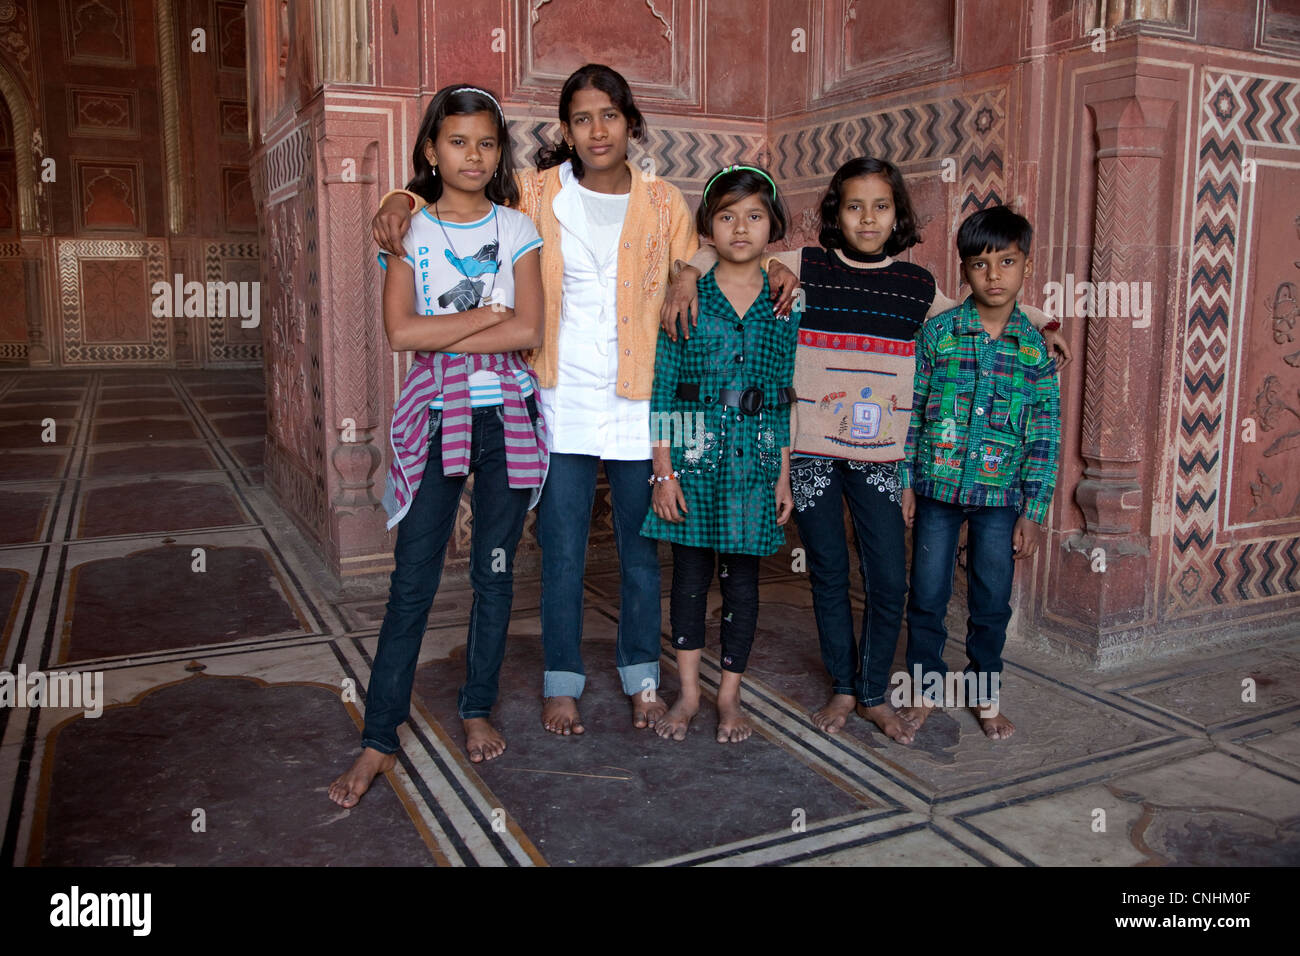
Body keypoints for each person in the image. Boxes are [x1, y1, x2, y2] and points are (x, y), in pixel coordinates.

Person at [663, 157, 1070, 744]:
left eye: (881, 206)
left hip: (881, 457)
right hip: (810, 453)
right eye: (854, 206)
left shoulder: (915, 286)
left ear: (897, 214)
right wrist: (683, 273)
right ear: (836, 212)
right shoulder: (804, 266)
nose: (868, 218)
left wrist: (1043, 324)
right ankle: (845, 686)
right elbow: (729, 254)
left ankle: (876, 691)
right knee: (827, 573)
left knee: (887, 579)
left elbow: (975, 307)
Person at [371, 65, 698, 737]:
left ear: (630, 122)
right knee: (561, 545)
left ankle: (642, 678)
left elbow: (706, 255)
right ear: (565, 130)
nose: (597, 130)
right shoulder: (535, 192)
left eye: (609, 115)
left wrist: (700, 271)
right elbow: (459, 185)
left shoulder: (665, 201)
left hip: (640, 396)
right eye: (581, 118)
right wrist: (400, 197)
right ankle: (562, 682)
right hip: (559, 391)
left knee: (641, 548)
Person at [329, 84, 547, 808]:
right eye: (457, 142)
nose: (474, 155)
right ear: (430, 151)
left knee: (493, 571)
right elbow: (401, 334)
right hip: (433, 419)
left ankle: (476, 702)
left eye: (487, 142)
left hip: (506, 423)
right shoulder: (408, 230)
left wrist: (466, 328)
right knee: (412, 584)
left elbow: (528, 332)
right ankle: (378, 738)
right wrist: (491, 314)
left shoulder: (517, 229)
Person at [642, 165, 797, 743]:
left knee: (742, 584)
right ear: (708, 227)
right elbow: (666, 386)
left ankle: (729, 697)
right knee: (687, 580)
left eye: (754, 216)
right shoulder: (688, 295)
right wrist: (664, 471)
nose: (741, 228)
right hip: (694, 457)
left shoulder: (785, 303)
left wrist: (782, 478)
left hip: (754, 465)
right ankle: (686, 694)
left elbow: (782, 397)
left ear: (772, 227)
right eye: (727, 216)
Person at [899, 204, 1062, 740]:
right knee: (927, 593)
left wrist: (1033, 512)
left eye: (1007, 262)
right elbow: (912, 411)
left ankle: (983, 694)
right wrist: (904, 481)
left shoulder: (1035, 351)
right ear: (963, 269)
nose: (994, 276)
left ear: (1026, 267)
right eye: (980, 264)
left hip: (1001, 499)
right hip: (937, 490)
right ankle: (924, 688)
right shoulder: (939, 335)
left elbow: (1043, 437)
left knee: (992, 601)